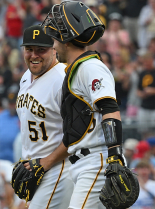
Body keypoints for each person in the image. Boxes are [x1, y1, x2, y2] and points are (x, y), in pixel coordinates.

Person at [41, 1, 138, 208]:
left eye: (56, 36)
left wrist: (115, 156)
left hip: (98, 162)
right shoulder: (75, 69)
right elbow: (76, 131)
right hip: (82, 163)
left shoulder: (90, 67)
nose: (53, 43)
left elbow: (110, 110)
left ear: (66, 40)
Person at [13, 25, 74, 208]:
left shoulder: (63, 79)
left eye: (41, 49)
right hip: (35, 168)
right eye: (29, 49)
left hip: (59, 168)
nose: (34, 55)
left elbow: (79, 131)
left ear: (54, 49)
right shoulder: (26, 77)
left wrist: (46, 162)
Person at [0, 92, 19, 162]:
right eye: (10, 104)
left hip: (16, 158)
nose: (11, 106)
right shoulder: (1, 116)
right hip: (1, 156)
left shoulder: (22, 116)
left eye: (13, 104)